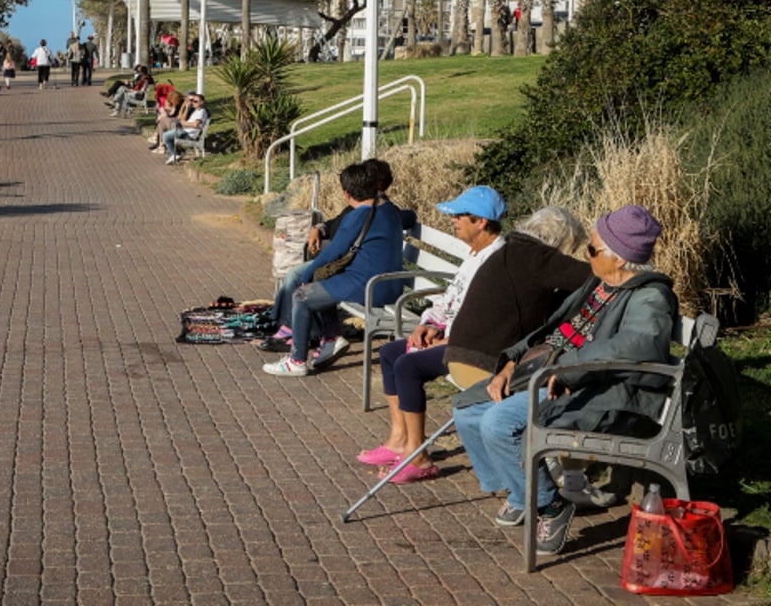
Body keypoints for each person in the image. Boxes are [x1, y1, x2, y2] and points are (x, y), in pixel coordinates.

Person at [453, 205, 674, 556]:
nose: (586, 254)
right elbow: (551, 330)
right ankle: (521, 492)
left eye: (592, 248)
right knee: (466, 410)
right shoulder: (597, 284)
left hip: (599, 390)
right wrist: (512, 360)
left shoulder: (649, 296)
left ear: (620, 259)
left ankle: (550, 506)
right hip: (548, 372)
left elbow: (636, 345)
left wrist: (568, 369)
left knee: (497, 423)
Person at [360, 205, 590, 484]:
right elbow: (595, 277)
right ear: (563, 240)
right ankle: (414, 454)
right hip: (480, 363)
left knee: (405, 363)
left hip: (464, 350)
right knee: (402, 361)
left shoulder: (509, 251)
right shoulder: (540, 258)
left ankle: (410, 449)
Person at [262, 161, 406, 377]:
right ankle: (331, 338)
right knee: (322, 285)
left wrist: (308, 275)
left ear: (347, 194)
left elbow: (334, 252)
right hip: (392, 284)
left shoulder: (358, 215)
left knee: (303, 295)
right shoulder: (389, 210)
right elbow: (409, 217)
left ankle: (297, 360)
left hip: (369, 285)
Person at [162, 92, 208, 164]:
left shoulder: (201, 112)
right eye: (192, 101)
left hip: (189, 135)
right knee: (167, 134)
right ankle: (176, 154)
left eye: (195, 101)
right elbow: (181, 118)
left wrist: (184, 123)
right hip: (185, 131)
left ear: (202, 102)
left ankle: (174, 154)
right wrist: (186, 107)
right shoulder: (196, 110)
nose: (193, 103)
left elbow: (195, 124)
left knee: (166, 136)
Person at [149, 89, 187, 154]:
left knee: (162, 120)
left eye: (172, 100)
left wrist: (166, 114)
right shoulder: (178, 104)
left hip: (180, 126)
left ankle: (159, 141)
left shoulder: (182, 105)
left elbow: (179, 117)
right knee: (161, 121)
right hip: (176, 123)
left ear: (176, 99)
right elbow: (173, 115)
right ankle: (160, 145)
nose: (171, 102)